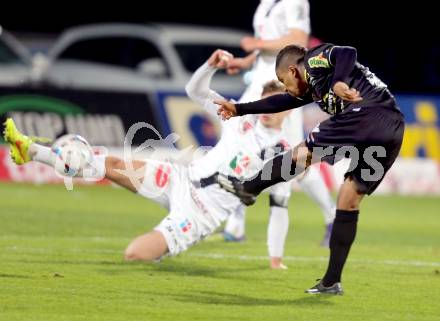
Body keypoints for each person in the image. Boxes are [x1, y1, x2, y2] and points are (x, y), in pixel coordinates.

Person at [3, 49, 323, 267]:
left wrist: (275, 258)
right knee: (109, 163)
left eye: (276, 106)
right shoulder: (241, 116)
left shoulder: (283, 150)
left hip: (201, 212)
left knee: (134, 255)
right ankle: (32, 150)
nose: (267, 112)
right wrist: (210, 65)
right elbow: (195, 91)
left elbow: (280, 203)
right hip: (179, 179)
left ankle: (164, 246)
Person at [215, 43, 405, 294]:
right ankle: (331, 282)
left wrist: (338, 83)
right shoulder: (313, 88)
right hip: (391, 129)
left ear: (294, 70)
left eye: (284, 80)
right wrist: (239, 109)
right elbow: (281, 102)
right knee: (348, 199)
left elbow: (347, 52)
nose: (285, 87)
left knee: (301, 155)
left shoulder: (314, 61)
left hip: (364, 115)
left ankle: (249, 188)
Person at [223, 0, 335, 247]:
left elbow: (298, 40)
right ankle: (235, 222)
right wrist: (248, 59)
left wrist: (257, 44)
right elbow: (270, 40)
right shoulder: (266, 2)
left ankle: (333, 218)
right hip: (259, 84)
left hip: (282, 86)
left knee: (298, 160)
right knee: (235, 139)